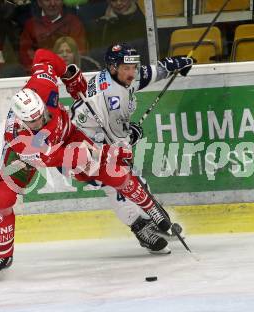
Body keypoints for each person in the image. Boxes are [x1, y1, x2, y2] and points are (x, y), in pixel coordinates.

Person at [0, 48, 178, 282]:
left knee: (114, 171)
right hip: (24, 159)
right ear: (22, 120)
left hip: (69, 135)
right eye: (32, 120)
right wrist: (113, 150)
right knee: (0, 200)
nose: (39, 120)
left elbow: (43, 55)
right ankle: (2, 256)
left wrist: (69, 75)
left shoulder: (42, 87)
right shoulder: (27, 143)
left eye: (40, 114)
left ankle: (150, 208)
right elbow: (80, 157)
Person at [70, 43, 193, 252]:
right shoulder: (110, 96)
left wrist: (172, 65)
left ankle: (150, 222)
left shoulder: (118, 75)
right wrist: (131, 136)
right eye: (126, 68)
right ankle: (141, 229)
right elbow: (117, 140)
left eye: (133, 66)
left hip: (99, 141)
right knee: (119, 186)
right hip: (82, 149)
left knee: (133, 182)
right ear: (112, 67)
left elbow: (144, 75)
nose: (131, 72)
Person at [19, 0, 87, 72]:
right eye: (47, 0)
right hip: (42, 75)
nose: (52, 3)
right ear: (39, 2)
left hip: (68, 74)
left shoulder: (73, 22)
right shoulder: (31, 25)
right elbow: (25, 57)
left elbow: (80, 53)